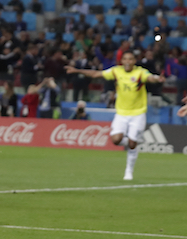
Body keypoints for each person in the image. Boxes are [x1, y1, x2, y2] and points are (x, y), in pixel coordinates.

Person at [65, 51, 164, 180]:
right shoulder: (116, 71)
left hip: (138, 113)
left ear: (134, 61)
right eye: (125, 59)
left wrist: (157, 78)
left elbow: (150, 77)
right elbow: (96, 74)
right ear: (122, 61)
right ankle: (132, 141)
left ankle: (129, 171)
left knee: (132, 144)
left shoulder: (140, 72)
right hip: (121, 113)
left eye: (130, 59)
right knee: (116, 140)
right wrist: (77, 71)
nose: (128, 62)